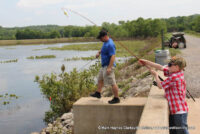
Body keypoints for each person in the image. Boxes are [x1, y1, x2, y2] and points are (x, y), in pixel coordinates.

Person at [139, 56, 189, 134]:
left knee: (182, 132)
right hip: (177, 110)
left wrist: (155, 75)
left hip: (179, 112)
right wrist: (146, 62)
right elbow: (160, 67)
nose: (168, 66)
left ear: (176, 67)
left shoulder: (174, 76)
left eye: (169, 64)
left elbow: (160, 86)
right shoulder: (177, 72)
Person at [90, 30, 120, 104]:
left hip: (109, 66)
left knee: (112, 82)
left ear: (104, 36)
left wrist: (109, 68)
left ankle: (116, 98)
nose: (100, 40)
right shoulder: (106, 42)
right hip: (104, 66)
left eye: (100, 38)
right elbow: (104, 49)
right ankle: (98, 93)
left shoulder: (110, 44)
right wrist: (99, 52)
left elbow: (113, 56)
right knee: (100, 79)